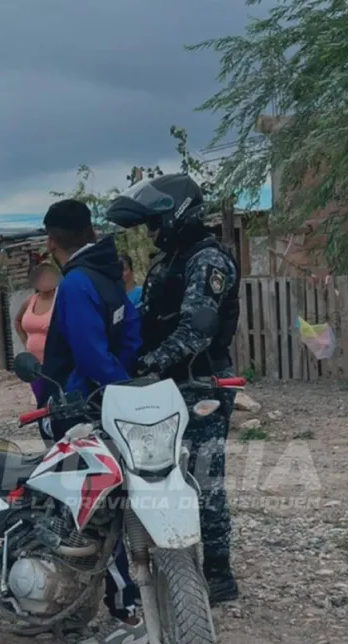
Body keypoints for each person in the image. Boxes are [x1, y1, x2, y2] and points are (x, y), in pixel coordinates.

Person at [105, 173, 241, 605]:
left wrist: (150, 361)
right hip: (166, 385)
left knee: (204, 478)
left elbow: (198, 329)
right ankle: (175, 563)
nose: (151, 232)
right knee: (159, 475)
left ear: (177, 214)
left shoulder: (207, 260)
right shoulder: (171, 261)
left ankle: (218, 573)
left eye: (154, 222)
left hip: (200, 384)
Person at [20, 198, 145, 644]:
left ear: (52, 241)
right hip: (106, 406)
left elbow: (90, 355)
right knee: (101, 508)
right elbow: (132, 334)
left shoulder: (74, 283)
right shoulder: (110, 275)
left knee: (86, 513)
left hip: (78, 410)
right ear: (91, 230)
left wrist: (111, 391)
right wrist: (126, 387)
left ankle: (124, 611)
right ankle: (73, 605)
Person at [13, 259, 59, 404]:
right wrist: (25, 341)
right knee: (41, 402)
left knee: (56, 401)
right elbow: (17, 321)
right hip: (33, 365)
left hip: (55, 363)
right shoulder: (30, 301)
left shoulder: (60, 299)